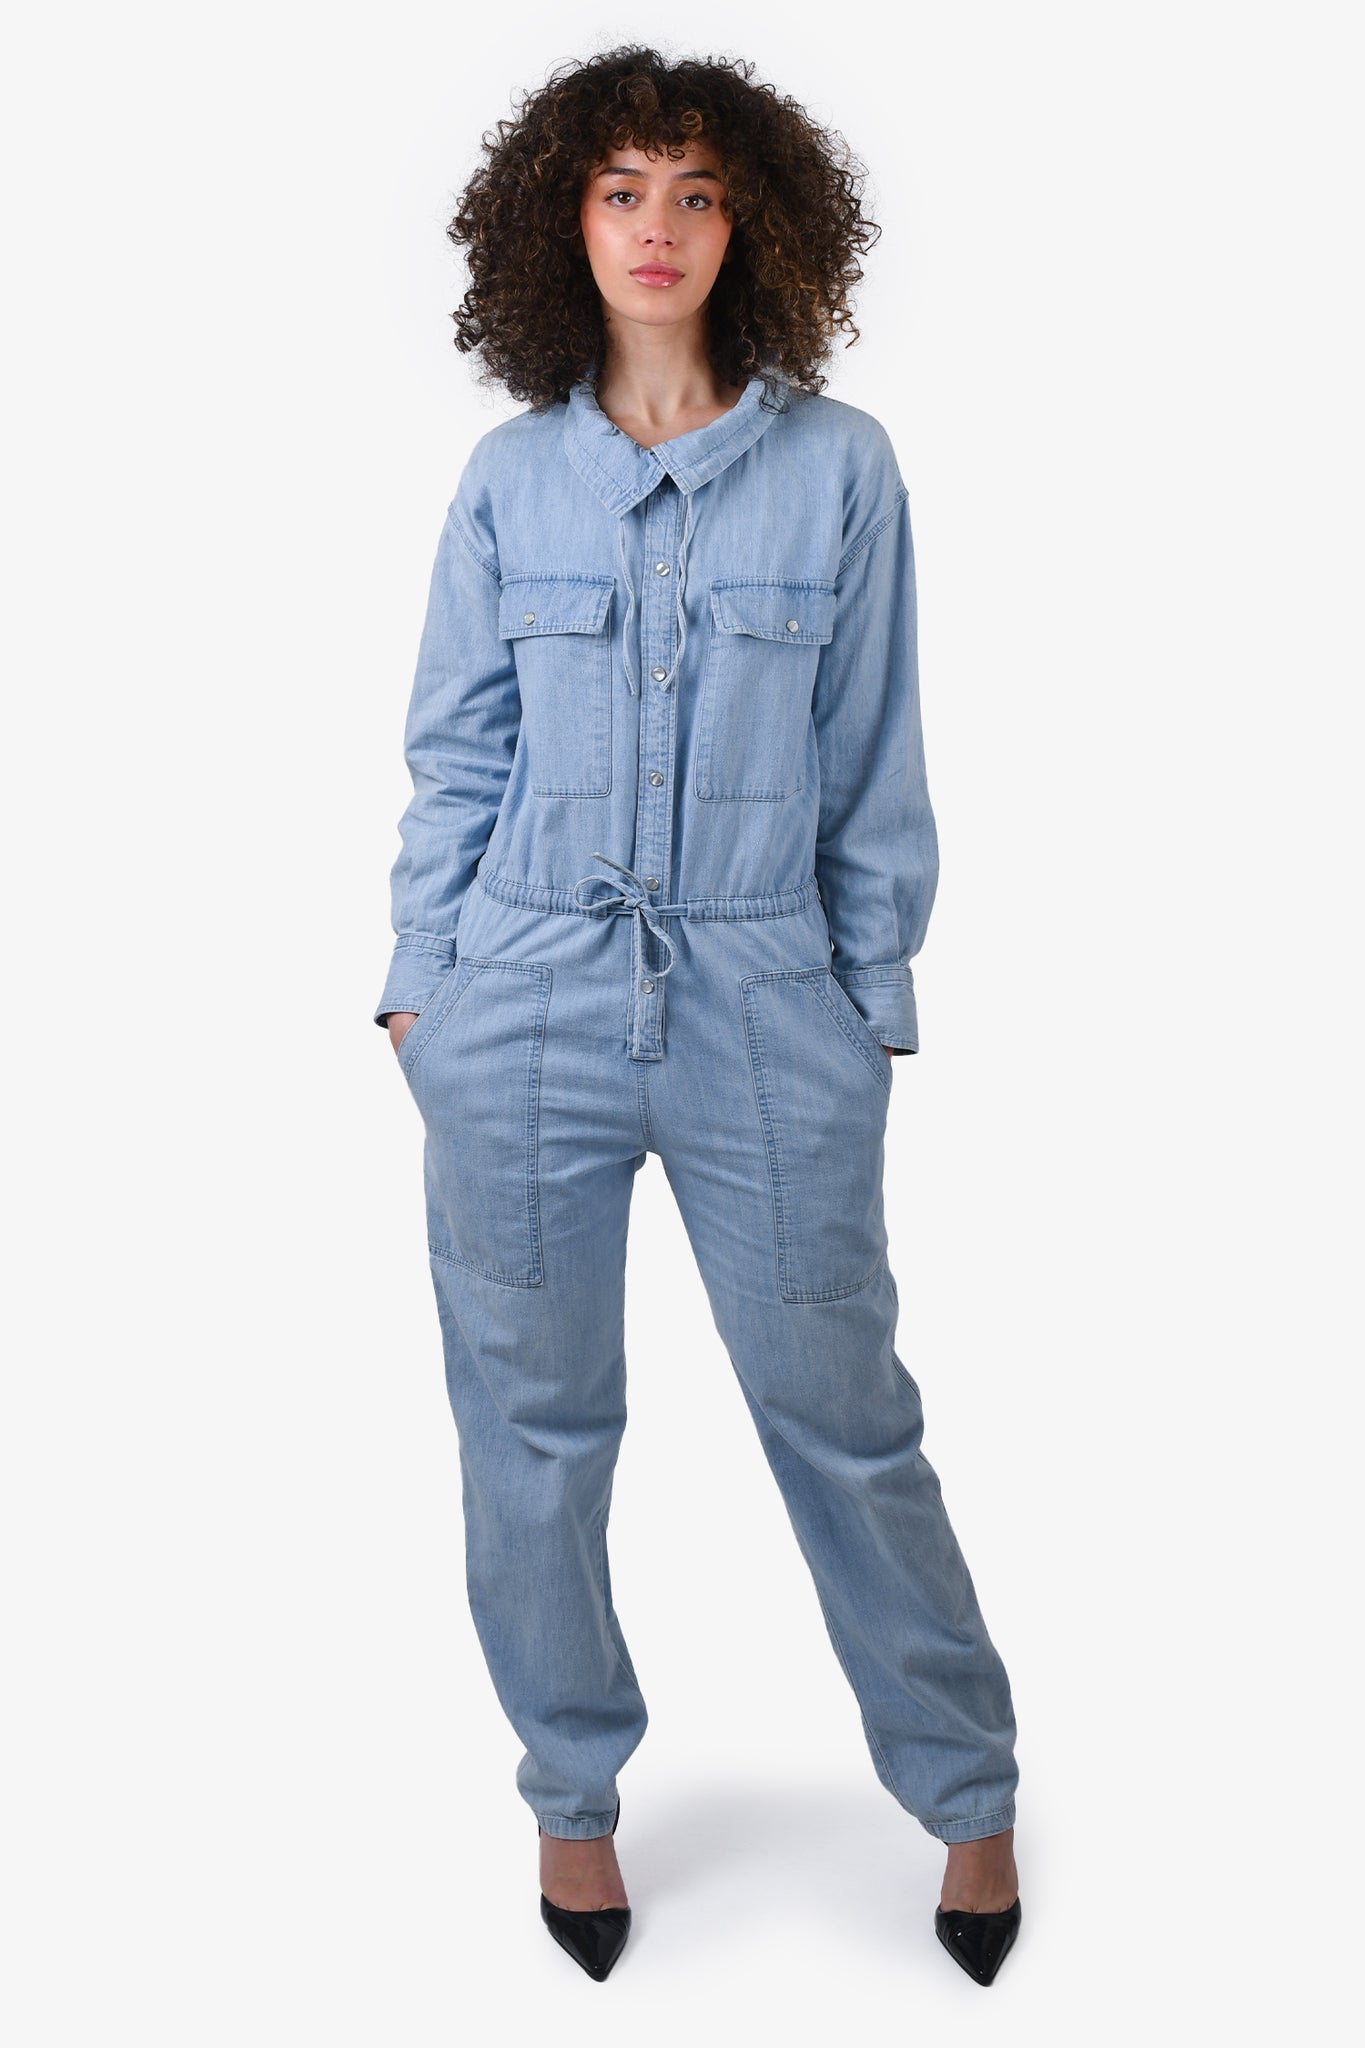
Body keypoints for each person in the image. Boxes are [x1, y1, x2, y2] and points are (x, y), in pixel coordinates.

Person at [375, 46, 1022, 1986]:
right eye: (619, 189)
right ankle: (571, 1806)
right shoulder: (509, 480)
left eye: (695, 193)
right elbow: (454, 756)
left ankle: (966, 1792)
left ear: (754, 228)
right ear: (559, 222)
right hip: (519, 1005)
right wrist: (423, 991)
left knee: (846, 1419)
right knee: (532, 1430)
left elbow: (873, 760)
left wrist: (863, 1001)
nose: (655, 228)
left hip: (764, 1007)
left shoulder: (841, 469)